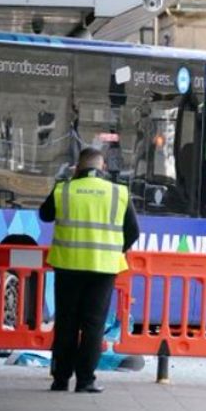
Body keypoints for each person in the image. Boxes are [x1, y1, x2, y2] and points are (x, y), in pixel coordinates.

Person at [40, 148, 140, 393]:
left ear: (77, 168)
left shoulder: (64, 189)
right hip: (103, 269)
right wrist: (115, 250)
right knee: (93, 325)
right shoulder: (119, 192)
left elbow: (45, 215)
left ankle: (60, 379)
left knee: (66, 324)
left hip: (68, 266)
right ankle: (85, 381)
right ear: (103, 167)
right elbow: (133, 231)